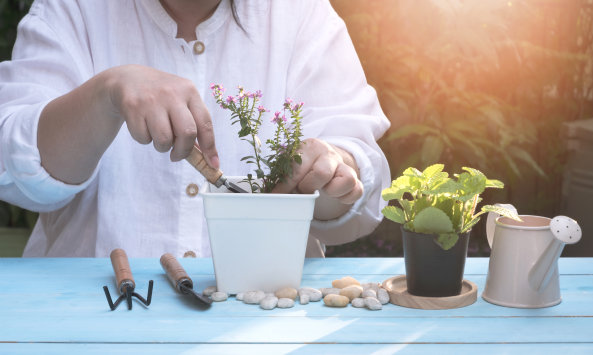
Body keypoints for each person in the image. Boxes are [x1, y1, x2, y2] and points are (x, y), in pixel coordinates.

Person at [0, 0, 391, 257]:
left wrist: (333, 166)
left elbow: (355, 166)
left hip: (261, 325)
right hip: (88, 319)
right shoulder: (73, 9)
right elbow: (16, 170)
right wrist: (105, 94)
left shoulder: (300, 14)